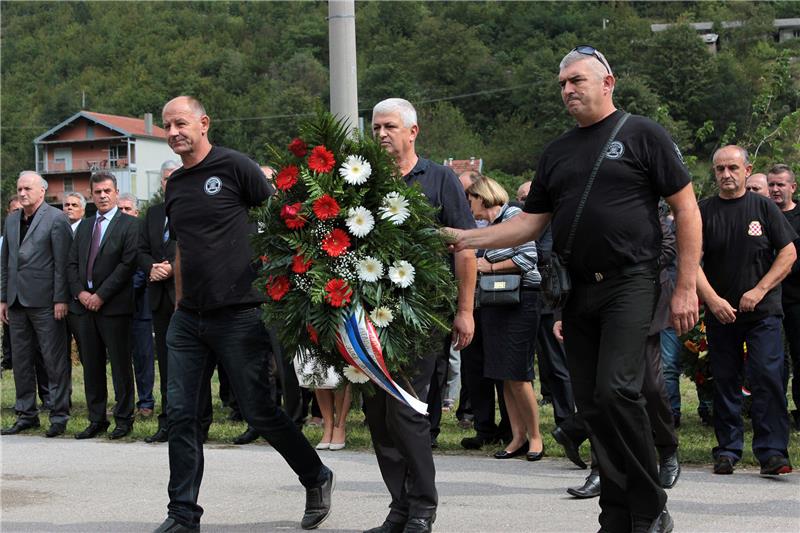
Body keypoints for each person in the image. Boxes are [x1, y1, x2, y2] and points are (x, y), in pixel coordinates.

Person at [448, 46, 702, 533]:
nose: (568, 89)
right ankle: (617, 513)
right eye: (562, 83)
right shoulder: (558, 152)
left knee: (618, 389)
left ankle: (650, 509)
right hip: (578, 290)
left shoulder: (642, 133)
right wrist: (464, 237)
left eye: (577, 80)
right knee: (591, 402)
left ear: (608, 83)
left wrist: (686, 286)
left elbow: (687, 209)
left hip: (632, 281)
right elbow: (527, 224)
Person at [153, 96, 333, 533]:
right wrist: (179, 302)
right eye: (167, 126)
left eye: (181, 123)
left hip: (239, 313)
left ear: (203, 122)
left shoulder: (235, 167)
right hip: (188, 319)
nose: (174, 132)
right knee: (181, 414)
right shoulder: (174, 185)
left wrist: (278, 282)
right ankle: (182, 515)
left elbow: (278, 221)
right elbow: (182, 248)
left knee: (259, 411)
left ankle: (316, 476)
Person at [366, 97, 476, 533]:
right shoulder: (365, 181)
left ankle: (423, 507)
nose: (381, 135)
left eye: (389, 126)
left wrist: (465, 310)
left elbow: (465, 246)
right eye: (375, 128)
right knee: (378, 415)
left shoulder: (441, 178)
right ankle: (399, 506)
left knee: (407, 413)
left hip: (423, 315)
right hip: (370, 315)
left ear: (413, 131)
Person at [697, 146, 796, 477]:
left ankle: (772, 452)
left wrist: (759, 290)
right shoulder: (704, 210)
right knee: (724, 380)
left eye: (733, 168)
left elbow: (788, 254)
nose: (726, 174)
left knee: (766, 377)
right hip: (721, 313)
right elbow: (691, 260)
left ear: (747, 169)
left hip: (763, 313)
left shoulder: (765, 208)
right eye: (720, 169)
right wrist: (712, 300)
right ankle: (727, 449)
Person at [465, 175, 544, 461]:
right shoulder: (490, 225)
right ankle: (517, 435)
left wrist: (489, 266)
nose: (468, 204)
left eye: (470, 198)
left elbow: (528, 259)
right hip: (495, 303)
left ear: (483, 197)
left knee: (519, 374)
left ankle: (535, 437)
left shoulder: (514, 217)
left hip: (521, 302)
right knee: (503, 373)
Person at [1, 171, 72, 437]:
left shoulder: (56, 219)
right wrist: (3, 298)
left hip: (46, 301)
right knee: (20, 361)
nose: (22, 193)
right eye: (19, 188)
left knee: (53, 361)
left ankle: (59, 414)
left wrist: (60, 298)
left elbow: (62, 264)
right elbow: (6, 261)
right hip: (16, 301)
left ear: (42, 191)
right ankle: (26, 414)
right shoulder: (11, 220)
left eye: (27, 188)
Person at [68, 171, 139, 440]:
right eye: (97, 192)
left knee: (120, 366)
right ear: (91, 195)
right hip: (85, 306)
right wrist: (81, 293)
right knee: (92, 366)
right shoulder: (85, 226)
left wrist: (101, 295)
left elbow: (127, 265)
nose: (103, 196)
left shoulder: (129, 225)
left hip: (114, 306)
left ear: (116, 192)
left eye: (107, 191)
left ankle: (123, 419)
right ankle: (96, 419)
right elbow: (71, 263)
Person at [138, 160, 184, 443]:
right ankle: (166, 422)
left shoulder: (192, 209)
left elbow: (195, 246)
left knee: (191, 363)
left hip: (184, 296)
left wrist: (171, 266)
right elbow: (141, 250)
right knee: (165, 364)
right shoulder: (153, 213)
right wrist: (151, 267)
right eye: (167, 178)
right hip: (158, 297)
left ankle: (196, 421)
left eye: (175, 177)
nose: (171, 182)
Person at [768, 163, 800, 430]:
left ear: (793, 187)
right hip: (769, 298)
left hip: (797, 299)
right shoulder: (763, 213)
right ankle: (774, 414)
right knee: (774, 361)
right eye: (772, 185)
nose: (775, 190)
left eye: (780, 185)